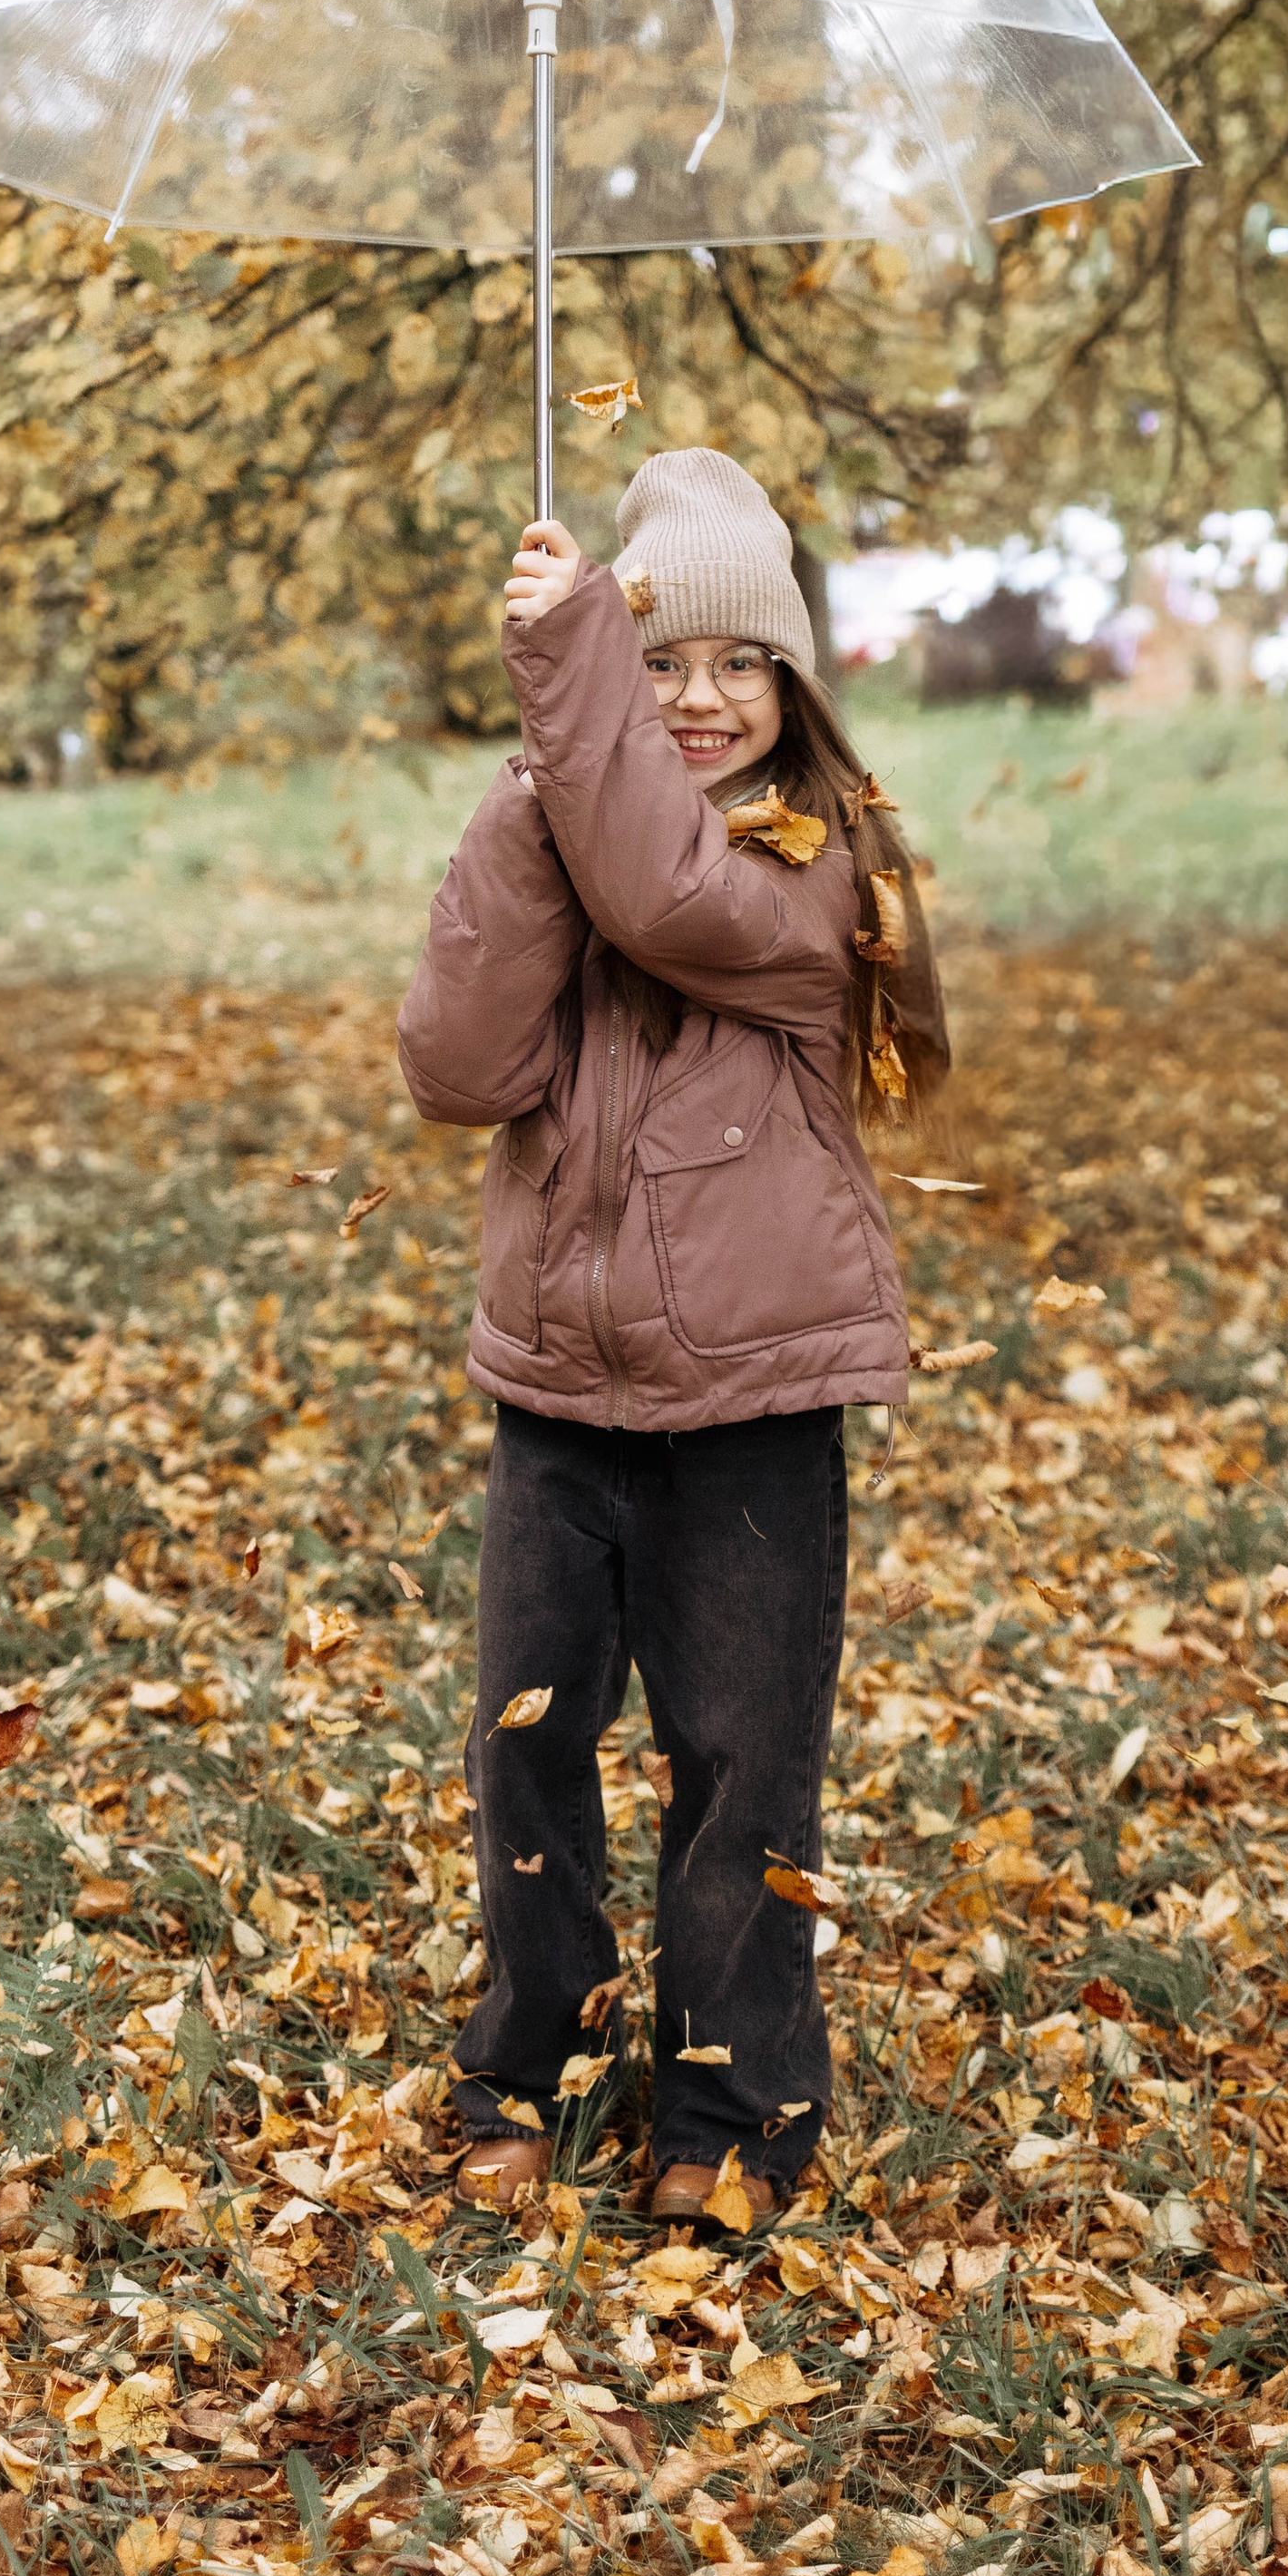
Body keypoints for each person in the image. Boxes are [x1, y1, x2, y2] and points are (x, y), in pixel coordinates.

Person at [395, 447, 949, 2225]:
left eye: (738, 665)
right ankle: (534, 2065)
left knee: (737, 1762)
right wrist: (538, 781)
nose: (698, 701)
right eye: (658, 664)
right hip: (560, 1394)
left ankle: (731, 2110)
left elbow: (666, 904)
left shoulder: (809, 874)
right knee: (527, 1747)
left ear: (793, 686)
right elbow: (456, 1069)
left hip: (752, 1404)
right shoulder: (581, 808)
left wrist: (572, 681)